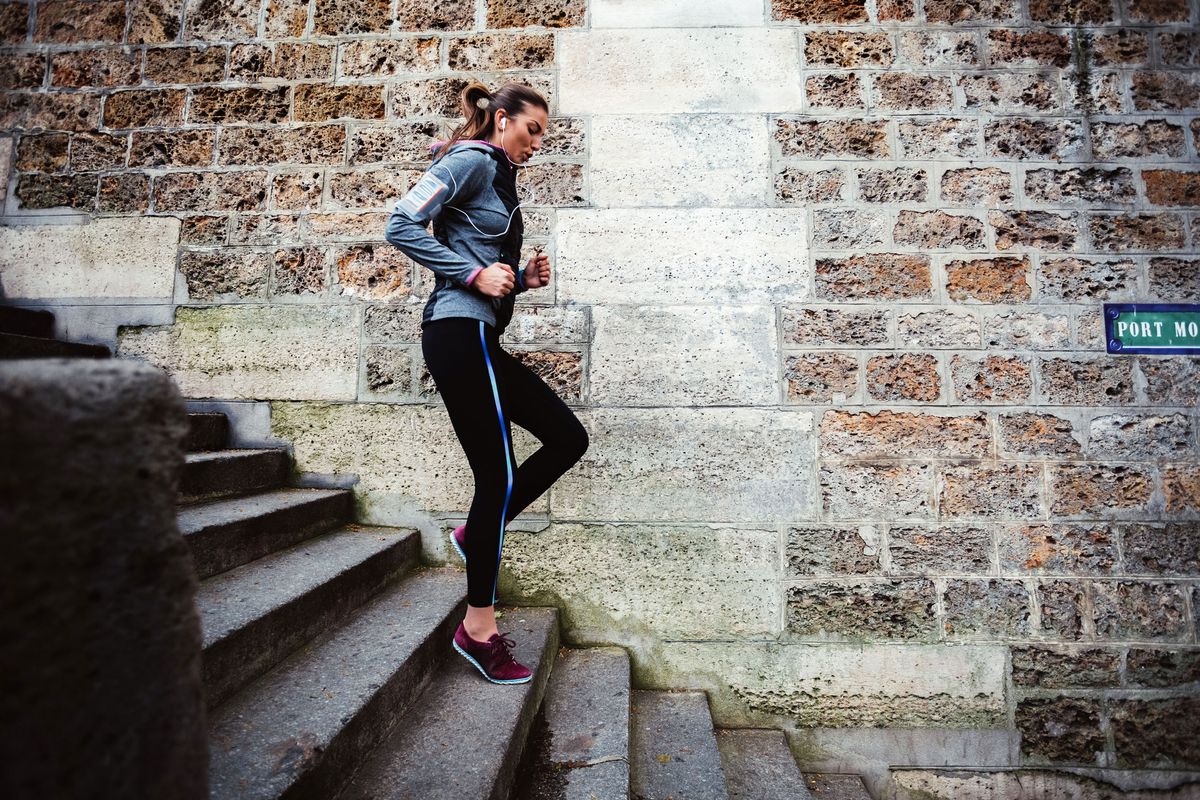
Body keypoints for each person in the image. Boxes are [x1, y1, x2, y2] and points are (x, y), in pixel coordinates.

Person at [384, 81, 589, 685]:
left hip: (480, 339)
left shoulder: (498, 175)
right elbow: (400, 225)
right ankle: (478, 627)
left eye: (544, 134)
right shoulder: (472, 160)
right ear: (502, 120)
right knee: (495, 475)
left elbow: (477, 256)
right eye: (533, 129)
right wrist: (474, 275)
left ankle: (478, 532)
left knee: (566, 437)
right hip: (456, 334)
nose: (538, 143)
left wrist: (519, 279)